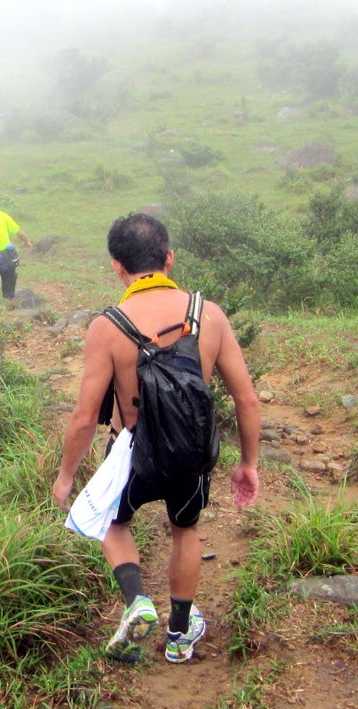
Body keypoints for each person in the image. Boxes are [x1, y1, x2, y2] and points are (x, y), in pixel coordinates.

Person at [52, 212, 260, 664]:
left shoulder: (107, 326)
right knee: (185, 531)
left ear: (117, 266)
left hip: (132, 451)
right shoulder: (209, 315)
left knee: (112, 523)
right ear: (169, 258)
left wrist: (66, 477)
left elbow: (85, 417)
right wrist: (248, 464)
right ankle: (180, 635)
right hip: (191, 453)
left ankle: (137, 602)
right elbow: (246, 398)